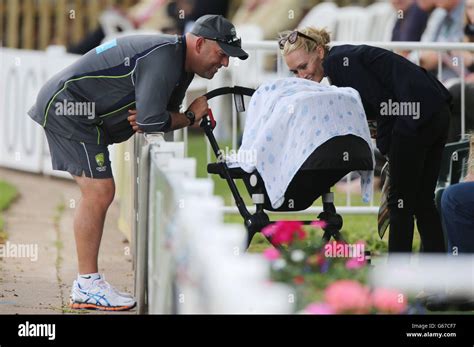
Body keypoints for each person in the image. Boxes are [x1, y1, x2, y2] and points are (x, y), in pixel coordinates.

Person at [28, 14, 248, 311]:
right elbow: (152, 119)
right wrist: (190, 116)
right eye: (222, 54)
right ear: (199, 44)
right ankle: (86, 284)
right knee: (99, 192)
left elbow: (155, 117)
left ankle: (86, 283)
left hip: (77, 109)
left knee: (100, 191)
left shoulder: (180, 61)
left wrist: (159, 116)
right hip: (67, 107)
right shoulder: (167, 58)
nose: (225, 63)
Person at [279, 26, 452, 254]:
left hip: (415, 116)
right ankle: (437, 281)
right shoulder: (343, 59)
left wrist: (386, 147)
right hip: (436, 108)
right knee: (421, 202)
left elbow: (384, 105)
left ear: (319, 51)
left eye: (304, 66)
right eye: (295, 72)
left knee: (400, 204)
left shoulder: (340, 63)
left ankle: (398, 277)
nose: (303, 75)